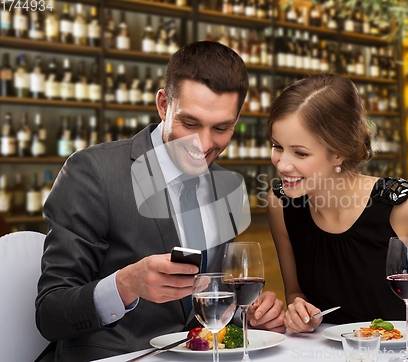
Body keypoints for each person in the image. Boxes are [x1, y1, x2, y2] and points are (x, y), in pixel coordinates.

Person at [35, 41, 285, 362]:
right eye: (190, 123)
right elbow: (50, 314)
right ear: (164, 105)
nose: (204, 144)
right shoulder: (94, 171)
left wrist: (248, 315)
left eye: (222, 128)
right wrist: (125, 285)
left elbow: (207, 303)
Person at [266, 73, 408, 336]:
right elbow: (297, 292)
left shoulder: (403, 207)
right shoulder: (281, 204)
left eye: (300, 153)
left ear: (338, 152)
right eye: (276, 146)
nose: (282, 164)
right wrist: (298, 310)